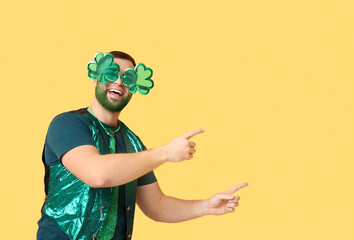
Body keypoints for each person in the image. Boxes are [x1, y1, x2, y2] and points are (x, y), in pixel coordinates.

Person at [37, 51, 248, 240]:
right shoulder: (67, 124)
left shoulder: (133, 143)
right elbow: (98, 174)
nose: (119, 81)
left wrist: (205, 206)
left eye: (128, 78)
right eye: (111, 73)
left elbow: (156, 206)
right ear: (95, 79)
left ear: (135, 87)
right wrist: (166, 153)